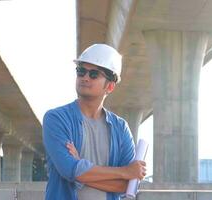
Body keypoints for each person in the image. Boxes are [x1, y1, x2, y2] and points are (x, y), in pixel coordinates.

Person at [42, 43, 146, 200]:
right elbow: (68, 169)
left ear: (110, 87)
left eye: (93, 74)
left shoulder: (120, 128)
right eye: (81, 71)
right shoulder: (56, 118)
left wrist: (81, 170)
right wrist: (124, 171)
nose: (84, 77)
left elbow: (127, 185)